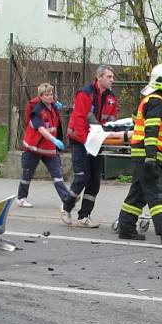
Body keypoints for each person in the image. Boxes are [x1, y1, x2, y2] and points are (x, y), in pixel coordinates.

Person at [117, 63, 162, 244]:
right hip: (148, 152)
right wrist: (151, 156)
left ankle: (126, 227)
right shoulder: (157, 102)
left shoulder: (149, 99)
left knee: (138, 193)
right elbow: (151, 130)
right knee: (157, 192)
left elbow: (139, 122)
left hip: (142, 151)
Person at [62, 65, 119, 227]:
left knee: (94, 180)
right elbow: (80, 118)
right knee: (82, 176)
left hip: (97, 140)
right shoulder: (85, 94)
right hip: (81, 140)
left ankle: (84, 216)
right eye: (109, 77)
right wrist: (87, 139)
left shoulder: (111, 97)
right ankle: (66, 207)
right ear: (99, 77)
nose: (112, 80)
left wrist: (109, 134)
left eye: (112, 77)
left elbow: (112, 118)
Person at [16, 83, 73, 209]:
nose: (50, 97)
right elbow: (41, 129)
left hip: (48, 148)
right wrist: (54, 140)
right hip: (33, 148)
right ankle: (21, 198)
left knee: (57, 174)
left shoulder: (53, 108)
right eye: (46, 95)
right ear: (40, 96)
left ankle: (66, 200)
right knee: (27, 174)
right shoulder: (37, 111)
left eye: (51, 94)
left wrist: (54, 142)